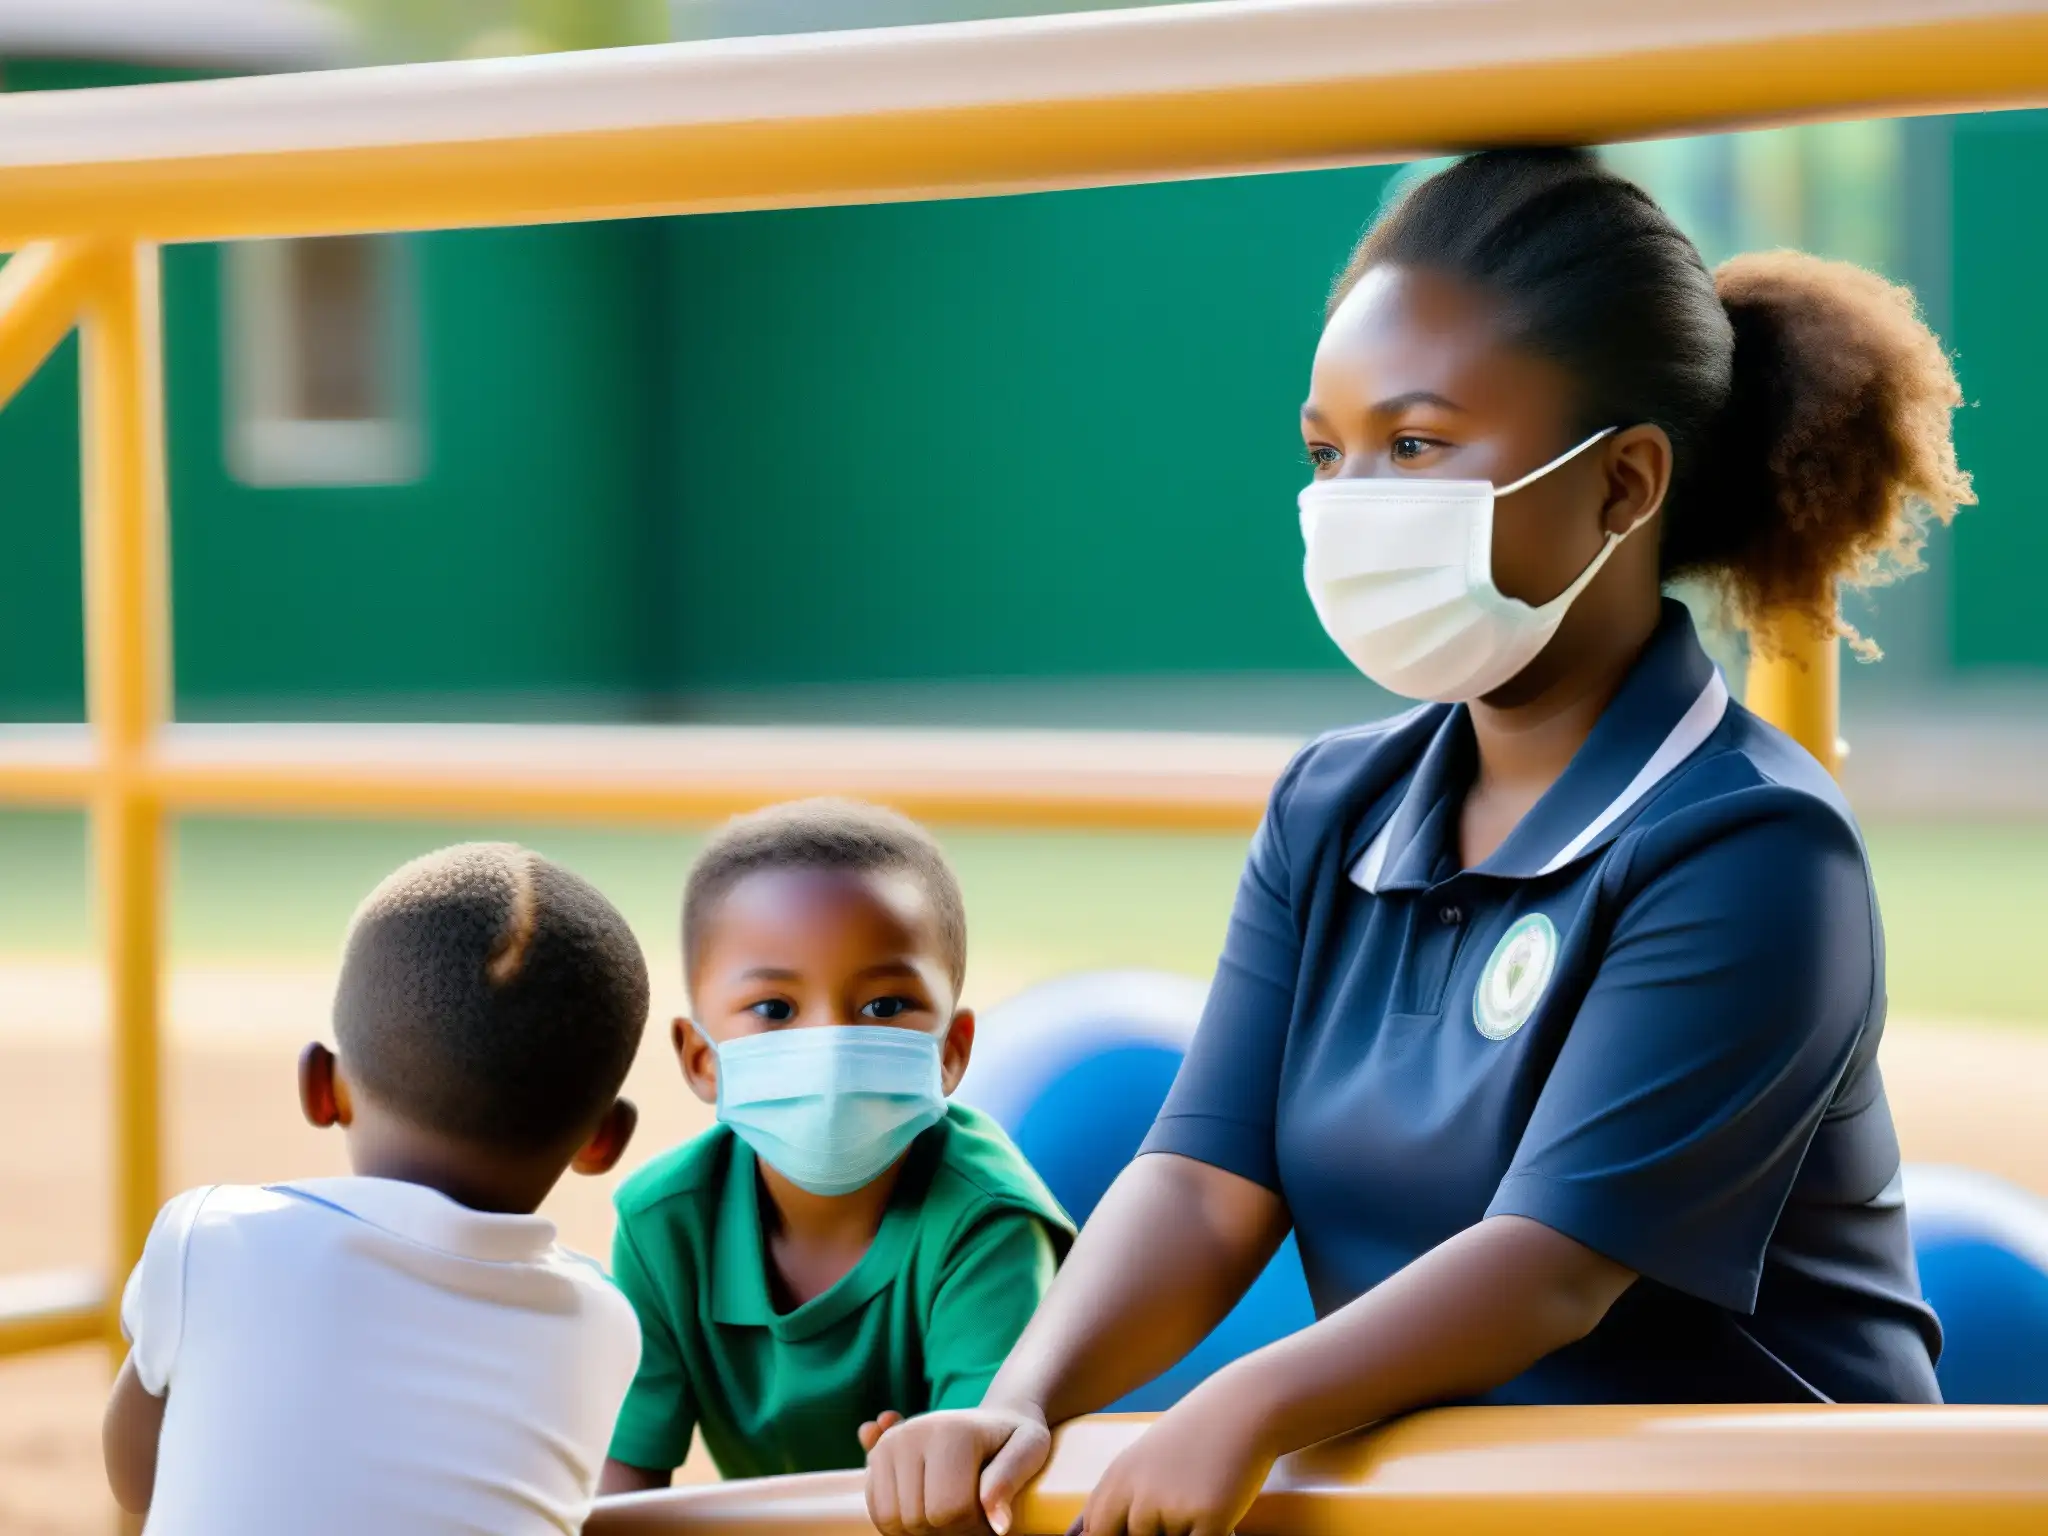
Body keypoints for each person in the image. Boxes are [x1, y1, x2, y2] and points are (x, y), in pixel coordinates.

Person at [863, 146, 1973, 1536]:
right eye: (1329, 452)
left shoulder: (1753, 844)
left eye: (1418, 444)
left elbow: (1553, 1265)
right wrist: (1022, 1392)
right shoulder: (1330, 808)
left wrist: (1241, 1404)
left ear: (1625, 485)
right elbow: (1208, 1182)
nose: (1351, 502)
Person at [102, 843, 650, 1535]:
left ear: (321, 1088)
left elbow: (131, 1478)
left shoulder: (211, 1236)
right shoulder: (602, 1326)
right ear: (604, 1141)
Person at [595, 799, 1074, 1496]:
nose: (828, 1048)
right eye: (775, 1010)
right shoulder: (662, 1225)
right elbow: (622, 1492)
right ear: (701, 1057)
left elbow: (986, 1487)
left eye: (882, 1007)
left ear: (952, 1050)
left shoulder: (988, 1223)